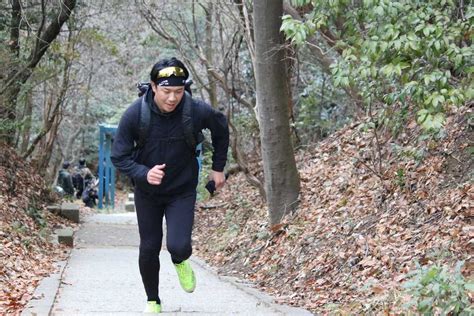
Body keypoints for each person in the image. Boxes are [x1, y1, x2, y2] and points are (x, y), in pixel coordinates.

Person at [111, 57, 229, 313]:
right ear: (153, 87)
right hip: (148, 193)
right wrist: (143, 173)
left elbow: (221, 127)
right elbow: (118, 156)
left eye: (178, 91)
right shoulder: (135, 114)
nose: (173, 98)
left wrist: (218, 167)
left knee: (179, 245)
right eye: (166, 91)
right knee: (150, 247)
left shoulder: (195, 110)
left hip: (182, 190)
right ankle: (153, 300)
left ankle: (179, 260)